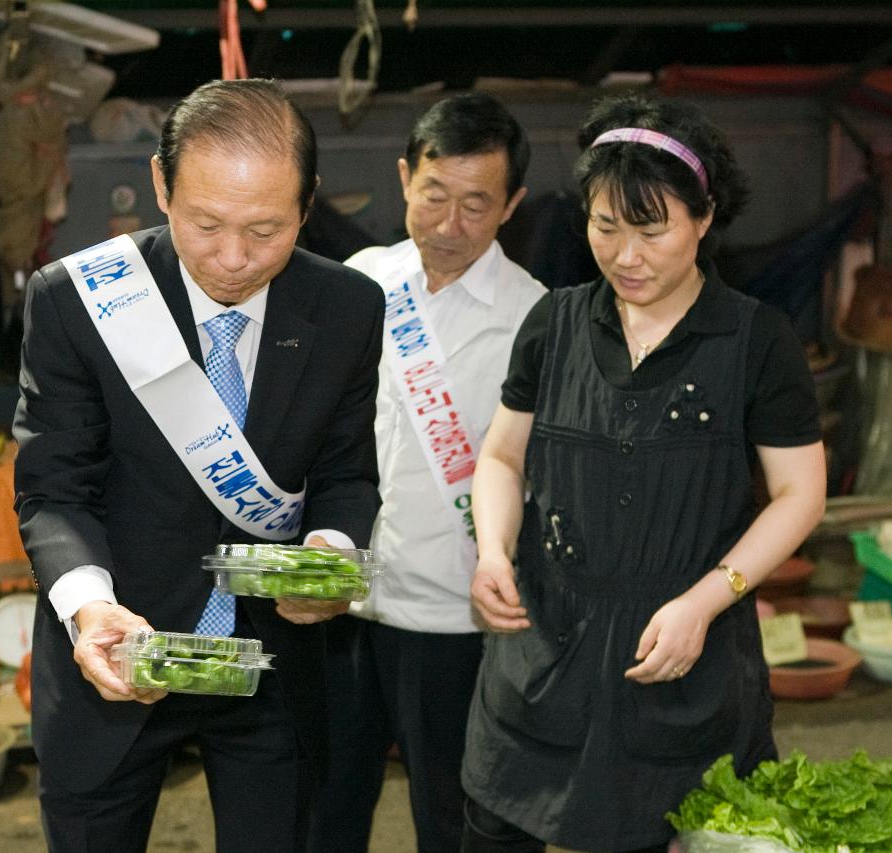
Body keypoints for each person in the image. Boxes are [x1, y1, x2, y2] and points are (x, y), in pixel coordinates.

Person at [13, 78, 385, 853]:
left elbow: (348, 473)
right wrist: (89, 610)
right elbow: (54, 488)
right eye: (205, 223)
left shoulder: (347, 307)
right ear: (160, 183)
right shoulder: (79, 301)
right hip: (118, 657)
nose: (233, 258)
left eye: (265, 229)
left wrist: (331, 553)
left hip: (269, 667)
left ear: (307, 203)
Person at [460, 93, 827, 853]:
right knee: (494, 827)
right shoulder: (554, 322)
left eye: (652, 229)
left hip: (679, 657)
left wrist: (705, 600)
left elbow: (800, 495)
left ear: (704, 217)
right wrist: (495, 550)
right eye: (606, 226)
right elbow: (501, 454)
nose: (627, 255)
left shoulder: (758, 341)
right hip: (543, 648)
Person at [306, 92, 545, 853]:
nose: (449, 224)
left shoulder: (536, 318)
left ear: (512, 205)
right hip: (341, 598)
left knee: (456, 816)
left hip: (453, 619)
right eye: (434, 194)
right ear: (405, 176)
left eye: (476, 204)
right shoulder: (360, 280)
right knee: (325, 801)